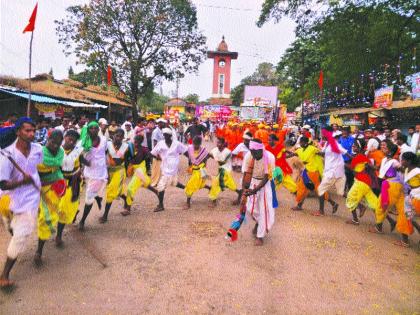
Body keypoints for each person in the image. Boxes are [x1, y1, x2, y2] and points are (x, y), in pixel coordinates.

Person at [0, 118, 42, 288]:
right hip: (10, 198)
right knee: (11, 228)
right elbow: (2, 183)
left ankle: (4, 275)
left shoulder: (38, 149)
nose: (31, 134)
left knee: (20, 236)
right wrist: (21, 182)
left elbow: (38, 169)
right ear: (18, 132)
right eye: (27, 131)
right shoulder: (6, 156)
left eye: (33, 130)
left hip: (31, 200)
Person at [370, 140, 410, 247]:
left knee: (381, 206)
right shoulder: (385, 160)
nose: (382, 147)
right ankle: (405, 240)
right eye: (382, 145)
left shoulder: (395, 162)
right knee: (402, 211)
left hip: (391, 186)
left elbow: (402, 169)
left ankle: (378, 227)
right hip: (393, 186)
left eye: (385, 146)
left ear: (391, 150)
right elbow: (379, 170)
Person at [34, 130, 65, 265]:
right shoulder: (37, 154)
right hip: (38, 188)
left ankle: (39, 251)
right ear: (48, 139)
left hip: (57, 185)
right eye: (53, 142)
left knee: (46, 218)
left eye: (58, 144)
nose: (55, 146)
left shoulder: (61, 152)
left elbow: (58, 167)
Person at [242, 139, 276, 246]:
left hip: (265, 185)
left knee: (264, 210)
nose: (253, 155)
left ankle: (260, 236)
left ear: (261, 150)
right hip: (253, 182)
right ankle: (258, 222)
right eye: (251, 152)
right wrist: (244, 191)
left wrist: (255, 191)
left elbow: (267, 177)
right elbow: (246, 173)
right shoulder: (249, 156)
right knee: (250, 208)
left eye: (255, 152)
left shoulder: (269, 157)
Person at [56, 130, 85, 246]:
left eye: (74, 140)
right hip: (57, 183)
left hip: (72, 184)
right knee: (55, 208)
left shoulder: (78, 152)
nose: (71, 141)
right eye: (69, 138)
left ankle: (58, 235)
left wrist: (79, 172)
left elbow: (82, 165)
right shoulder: (57, 150)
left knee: (63, 210)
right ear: (65, 137)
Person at [78, 121, 108, 230]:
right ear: (88, 129)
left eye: (96, 128)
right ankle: (97, 198)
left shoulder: (104, 140)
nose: (94, 130)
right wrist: (87, 163)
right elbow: (79, 157)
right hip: (89, 172)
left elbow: (104, 153)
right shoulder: (84, 141)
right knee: (89, 194)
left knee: (89, 197)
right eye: (91, 128)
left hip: (100, 173)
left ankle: (82, 221)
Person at [151, 128, 187, 212]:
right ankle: (187, 188)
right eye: (164, 135)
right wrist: (158, 157)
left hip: (174, 169)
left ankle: (160, 206)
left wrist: (191, 161)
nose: (165, 137)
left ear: (170, 136)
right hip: (165, 169)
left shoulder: (177, 144)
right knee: (168, 185)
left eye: (167, 135)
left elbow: (185, 151)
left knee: (164, 185)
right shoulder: (160, 144)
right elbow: (152, 153)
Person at [121, 134, 158, 216]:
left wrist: (150, 167)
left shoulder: (144, 149)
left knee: (130, 188)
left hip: (141, 169)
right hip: (134, 169)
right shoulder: (131, 148)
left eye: (137, 142)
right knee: (143, 183)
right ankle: (156, 192)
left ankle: (128, 209)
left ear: (141, 142)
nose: (135, 143)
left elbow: (150, 156)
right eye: (135, 141)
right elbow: (125, 158)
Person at [314, 127, 348, 216]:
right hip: (332, 171)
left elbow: (345, 152)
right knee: (341, 192)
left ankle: (321, 211)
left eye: (323, 132)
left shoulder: (334, 143)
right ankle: (360, 206)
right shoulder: (327, 143)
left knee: (320, 189)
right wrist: (316, 152)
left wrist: (356, 161)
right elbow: (326, 153)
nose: (322, 134)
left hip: (333, 171)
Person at [286, 136, 325, 212]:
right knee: (302, 188)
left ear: (306, 143)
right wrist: (282, 154)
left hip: (314, 172)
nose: (300, 144)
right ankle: (299, 205)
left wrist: (327, 153)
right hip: (306, 171)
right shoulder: (300, 150)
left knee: (319, 190)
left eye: (302, 142)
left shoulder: (312, 149)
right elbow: (293, 154)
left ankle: (323, 209)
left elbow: (321, 153)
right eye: (300, 142)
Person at [345, 138, 379, 225]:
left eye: (355, 146)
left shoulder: (359, 157)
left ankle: (355, 220)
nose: (353, 146)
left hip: (361, 182)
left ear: (359, 148)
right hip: (366, 182)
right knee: (374, 203)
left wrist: (341, 163)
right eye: (353, 145)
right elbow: (372, 167)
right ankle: (389, 221)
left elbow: (351, 167)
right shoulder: (363, 156)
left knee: (350, 198)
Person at [99, 129, 129, 223]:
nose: (118, 138)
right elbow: (103, 156)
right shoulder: (108, 145)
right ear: (113, 135)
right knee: (118, 191)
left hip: (119, 171)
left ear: (123, 137)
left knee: (111, 191)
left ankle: (105, 216)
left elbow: (125, 160)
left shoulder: (126, 147)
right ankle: (128, 200)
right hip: (110, 170)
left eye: (120, 136)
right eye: (117, 135)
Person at [208, 137, 242, 206]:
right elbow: (210, 154)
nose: (218, 144)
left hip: (226, 170)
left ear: (223, 144)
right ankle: (239, 192)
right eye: (217, 142)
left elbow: (222, 162)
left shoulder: (228, 152)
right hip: (221, 169)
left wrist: (214, 157)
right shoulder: (215, 150)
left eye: (220, 143)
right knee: (229, 185)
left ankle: (213, 201)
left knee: (215, 183)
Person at [184, 136, 211, 209]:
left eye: (197, 144)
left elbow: (207, 158)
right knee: (198, 185)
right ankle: (209, 188)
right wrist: (190, 167)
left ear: (200, 144)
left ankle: (187, 203)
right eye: (194, 144)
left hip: (200, 170)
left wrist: (204, 168)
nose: (195, 146)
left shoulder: (203, 151)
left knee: (190, 185)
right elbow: (189, 157)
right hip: (193, 169)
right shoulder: (190, 149)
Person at [401, 152, 420, 234]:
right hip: (411, 196)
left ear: (409, 161)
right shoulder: (406, 170)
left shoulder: (417, 171)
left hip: (417, 197)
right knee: (408, 217)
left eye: (403, 160)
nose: (401, 161)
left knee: (408, 216)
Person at [150, 118, 166, 186]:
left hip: (161, 152)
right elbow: (155, 142)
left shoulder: (161, 130)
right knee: (155, 168)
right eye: (163, 123)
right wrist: (157, 154)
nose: (164, 124)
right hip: (157, 153)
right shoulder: (156, 131)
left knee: (160, 168)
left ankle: (157, 181)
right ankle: (154, 182)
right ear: (159, 123)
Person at [339, 126, 355, 192]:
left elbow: (353, 147)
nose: (344, 132)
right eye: (343, 131)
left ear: (348, 132)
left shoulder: (352, 138)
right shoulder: (340, 139)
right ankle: (344, 187)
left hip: (350, 158)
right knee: (343, 174)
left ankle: (350, 187)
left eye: (345, 131)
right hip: (341, 159)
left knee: (350, 174)